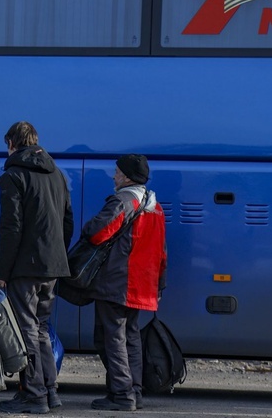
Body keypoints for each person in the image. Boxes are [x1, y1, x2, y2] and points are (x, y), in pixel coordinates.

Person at [0, 121, 74, 414]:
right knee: (41, 327)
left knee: (25, 328)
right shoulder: (58, 175)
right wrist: (56, 254)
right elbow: (68, 221)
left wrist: (1, 273)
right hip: (52, 266)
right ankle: (50, 390)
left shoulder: (14, 176)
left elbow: (11, 229)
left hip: (25, 267)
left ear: (13, 143)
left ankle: (34, 394)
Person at [82, 154, 167, 412]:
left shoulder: (124, 201)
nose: (114, 176)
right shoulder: (155, 206)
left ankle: (121, 394)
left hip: (118, 283)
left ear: (127, 177)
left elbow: (97, 233)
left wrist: (88, 227)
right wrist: (159, 285)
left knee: (110, 338)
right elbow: (163, 252)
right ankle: (134, 392)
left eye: (117, 172)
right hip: (141, 284)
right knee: (130, 337)